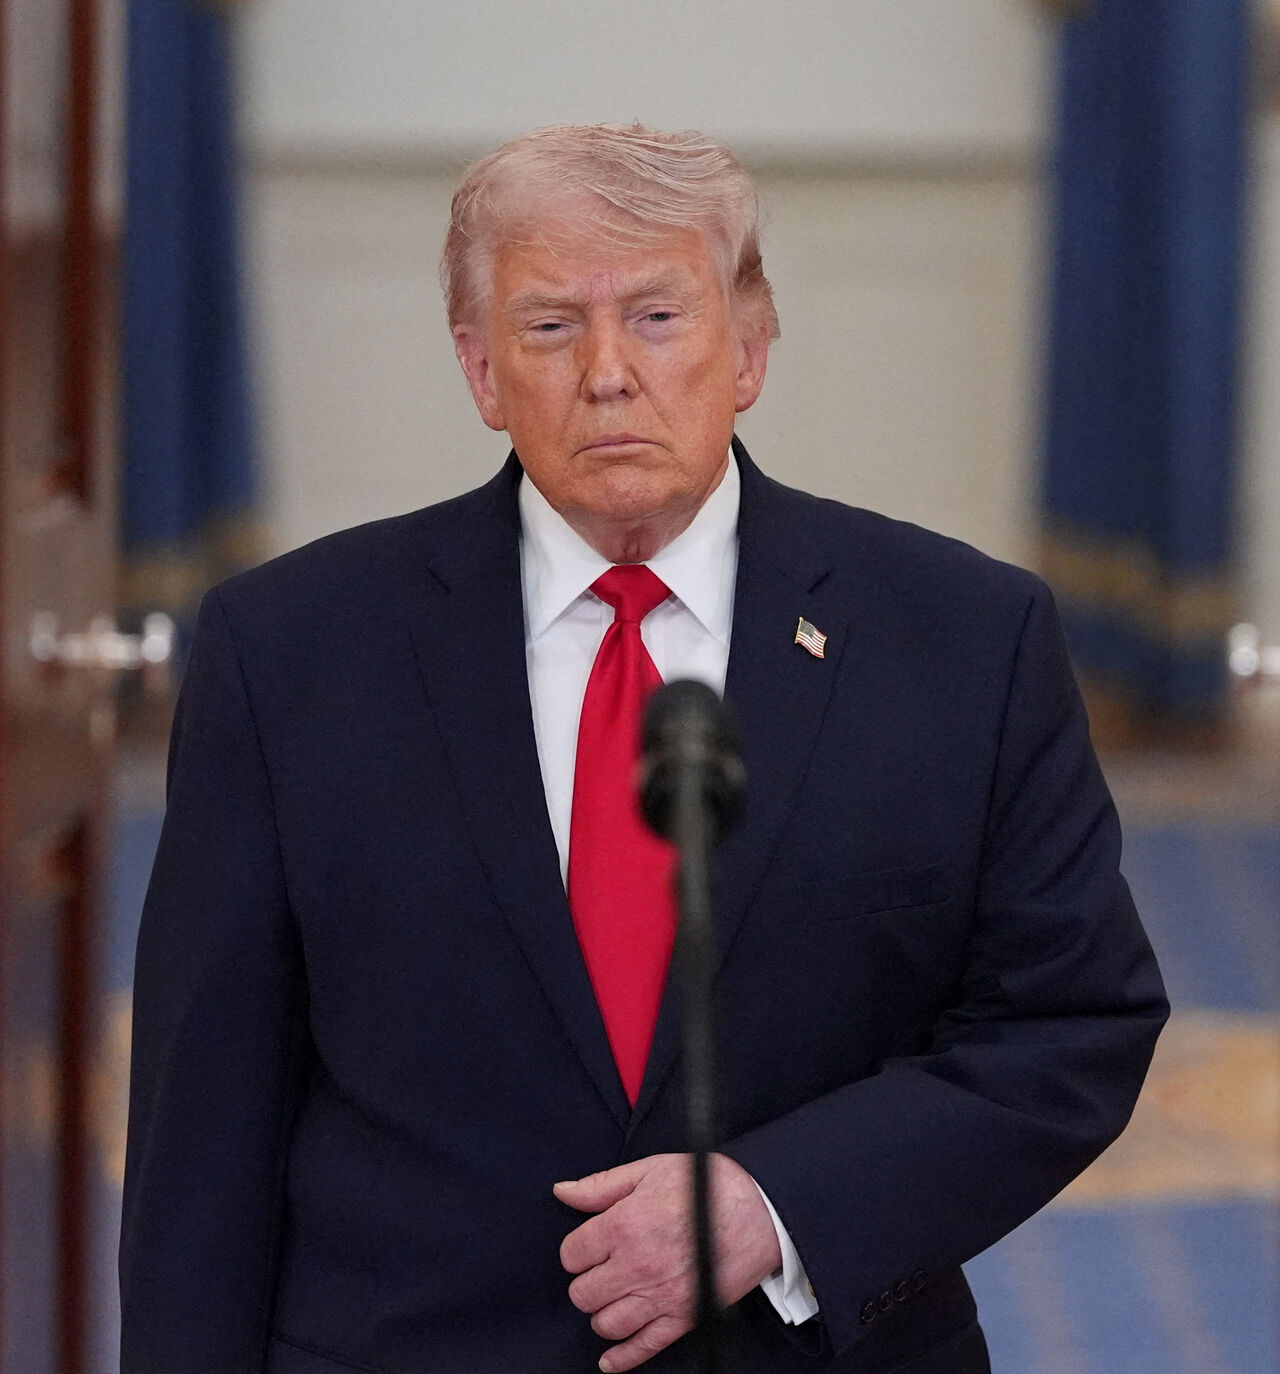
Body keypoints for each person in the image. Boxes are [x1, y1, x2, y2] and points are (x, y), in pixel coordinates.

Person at [120, 123, 1167, 1374]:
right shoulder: (289, 654)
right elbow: (204, 1120)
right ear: (481, 371)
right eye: (550, 325)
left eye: (659, 317)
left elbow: (1068, 1023)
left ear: (750, 348)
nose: (607, 373)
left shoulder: (963, 640)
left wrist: (776, 1206)